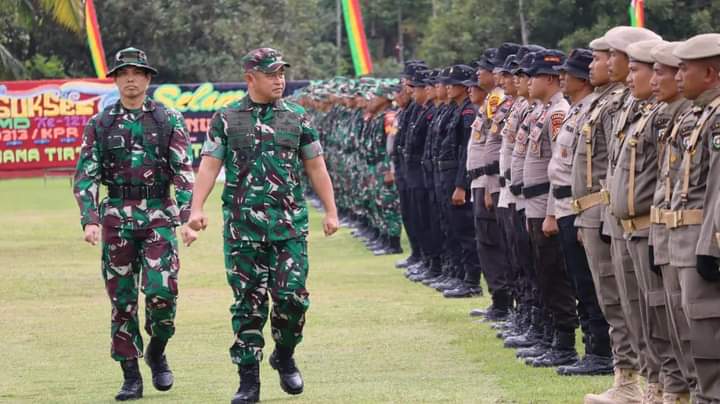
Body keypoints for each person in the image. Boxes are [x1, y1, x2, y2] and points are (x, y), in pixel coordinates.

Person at [187, 48, 338, 404]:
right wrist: (196, 208)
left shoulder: (298, 117)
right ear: (250, 78)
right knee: (248, 304)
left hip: (289, 227)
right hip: (243, 229)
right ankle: (248, 380)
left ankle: (284, 353)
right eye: (271, 74)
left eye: (282, 73)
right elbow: (209, 165)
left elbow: (316, 167)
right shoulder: (226, 118)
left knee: (293, 299)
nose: (279, 79)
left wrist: (331, 211)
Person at [73, 47, 196, 401]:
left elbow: (182, 171)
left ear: (148, 79)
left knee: (162, 293)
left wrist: (188, 218)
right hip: (116, 221)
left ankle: (157, 350)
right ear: (115, 79)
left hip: (158, 217)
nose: (130, 78)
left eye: (137, 72)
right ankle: (130, 375)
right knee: (122, 301)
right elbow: (85, 177)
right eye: (123, 72)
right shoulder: (101, 123)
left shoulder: (167, 119)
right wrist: (90, 220)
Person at [549, 48, 613, 376]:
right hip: (568, 205)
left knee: (591, 283)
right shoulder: (577, 111)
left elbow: (599, 168)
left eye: (568, 72)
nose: (562, 77)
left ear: (583, 79)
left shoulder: (594, 110)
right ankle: (592, 347)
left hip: (586, 207)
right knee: (579, 281)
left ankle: (601, 351)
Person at [669, 33, 720, 404]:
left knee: (706, 331)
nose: (677, 76)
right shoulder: (702, 114)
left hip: (704, 237)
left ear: (710, 72)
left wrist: (710, 246)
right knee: (693, 328)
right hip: (687, 234)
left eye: (684, 69)